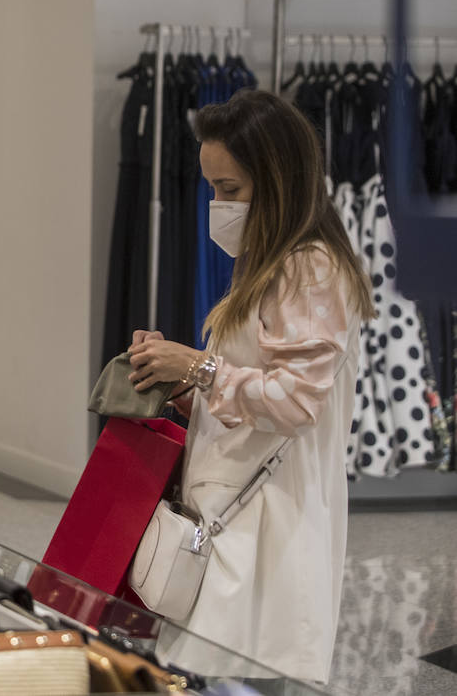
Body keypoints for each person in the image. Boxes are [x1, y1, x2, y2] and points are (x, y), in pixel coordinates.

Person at [126, 89, 373, 683]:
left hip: (263, 520)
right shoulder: (276, 262)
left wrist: (197, 368)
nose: (218, 205)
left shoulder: (310, 268)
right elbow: (253, 389)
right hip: (234, 511)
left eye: (230, 190)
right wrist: (178, 380)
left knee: (232, 671)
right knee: (211, 667)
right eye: (212, 189)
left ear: (278, 181)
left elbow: (295, 402)